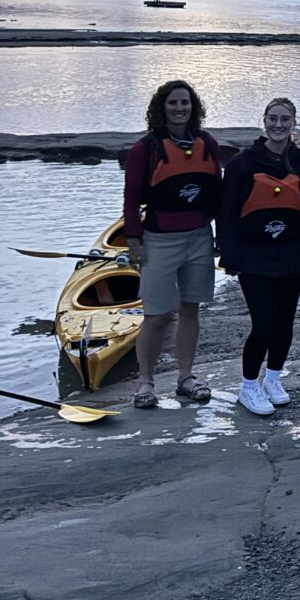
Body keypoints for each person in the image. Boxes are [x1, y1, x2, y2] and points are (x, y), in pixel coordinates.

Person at [121, 79, 221, 408]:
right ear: (161, 108)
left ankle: (186, 377)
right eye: (173, 103)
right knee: (156, 315)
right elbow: (131, 201)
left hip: (199, 238)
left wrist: (221, 236)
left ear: (194, 109)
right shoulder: (144, 150)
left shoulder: (207, 144)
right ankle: (145, 383)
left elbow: (217, 194)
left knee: (190, 309)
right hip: (159, 240)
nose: (180, 108)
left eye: (185, 103)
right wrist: (134, 241)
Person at [219, 97, 300, 416]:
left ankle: (273, 379)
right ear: (264, 121)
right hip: (253, 258)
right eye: (273, 119)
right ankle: (248, 386)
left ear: (294, 122)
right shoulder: (241, 164)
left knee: (285, 323)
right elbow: (225, 213)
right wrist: (229, 254)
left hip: (290, 255)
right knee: (264, 322)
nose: (278, 125)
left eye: (285, 119)